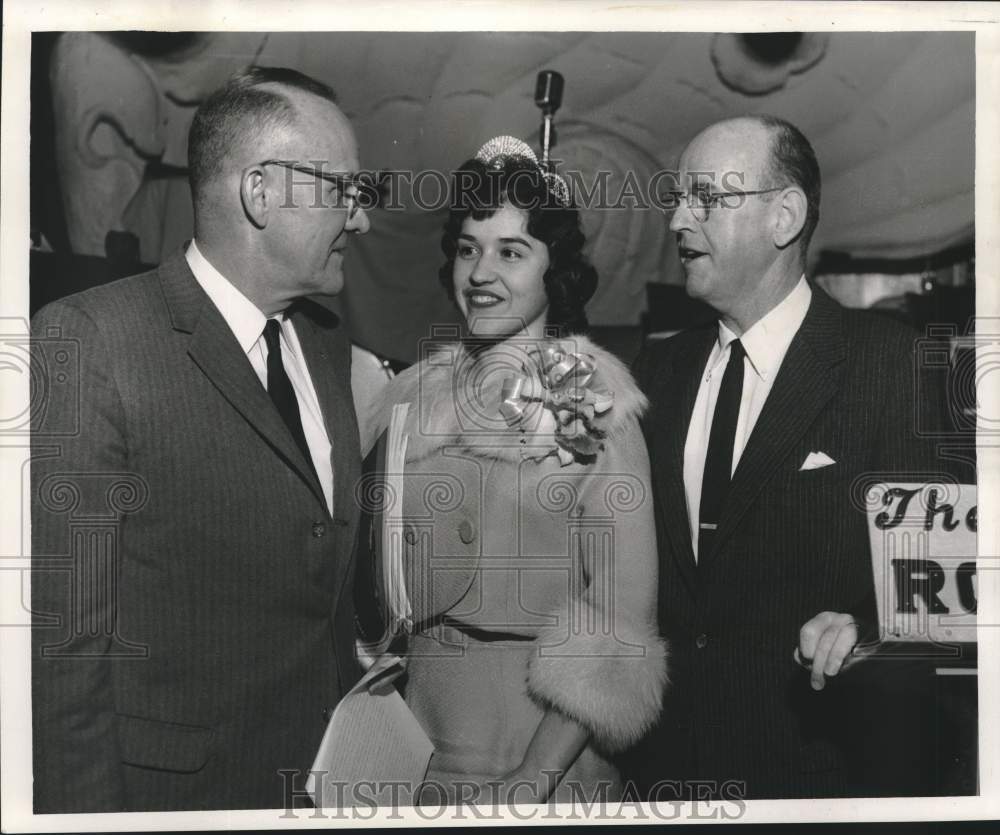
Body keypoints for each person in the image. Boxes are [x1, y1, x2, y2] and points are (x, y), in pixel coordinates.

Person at [30, 67, 371, 812]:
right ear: (259, 192)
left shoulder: (326, 346)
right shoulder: (91, 340)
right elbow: (64, 654)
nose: (362, 219)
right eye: (343, 190)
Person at [630, 115, 971, 799]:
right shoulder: (657, 371)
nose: (676, 221)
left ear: (784, 215)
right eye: (676, 198)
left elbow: (944, 595)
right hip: (662, 776)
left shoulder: (889, 364)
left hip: (810, 775)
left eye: (705, 198)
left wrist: (865, 629)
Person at [359, 136, 667, 805]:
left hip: (542, 775)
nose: (481, 272)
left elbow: (618, 622)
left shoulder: (597, 407)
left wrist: (529, 783)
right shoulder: (406, 402)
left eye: (511, 251)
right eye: (468, 249)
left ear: (554, 271)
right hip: (408, 765)